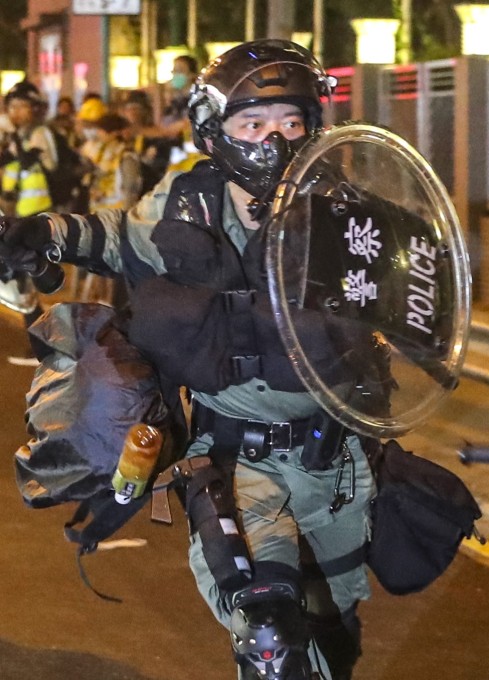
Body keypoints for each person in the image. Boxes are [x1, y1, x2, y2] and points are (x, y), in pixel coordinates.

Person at [0, 40, 372, 680]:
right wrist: (45, 234)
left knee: (332, 639)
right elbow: (115, 235)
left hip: (334, 465)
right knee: (270, 637)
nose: (275, 139)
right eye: (253, 123)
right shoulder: (184, 202)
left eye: (292, 122)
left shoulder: (351, 217)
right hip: (232, 458)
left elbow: (422, 298)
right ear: (216, 129)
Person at [0, 81, 59, 366]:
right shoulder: (15, 135)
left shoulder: (39, 134)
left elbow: (51, 169)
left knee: (24, 285)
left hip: (31, 219)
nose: (15, 112)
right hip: (16, 219)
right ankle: (45, 349)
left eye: (21, 106)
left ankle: (46, 351)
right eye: (11, 107)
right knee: (22, 284)